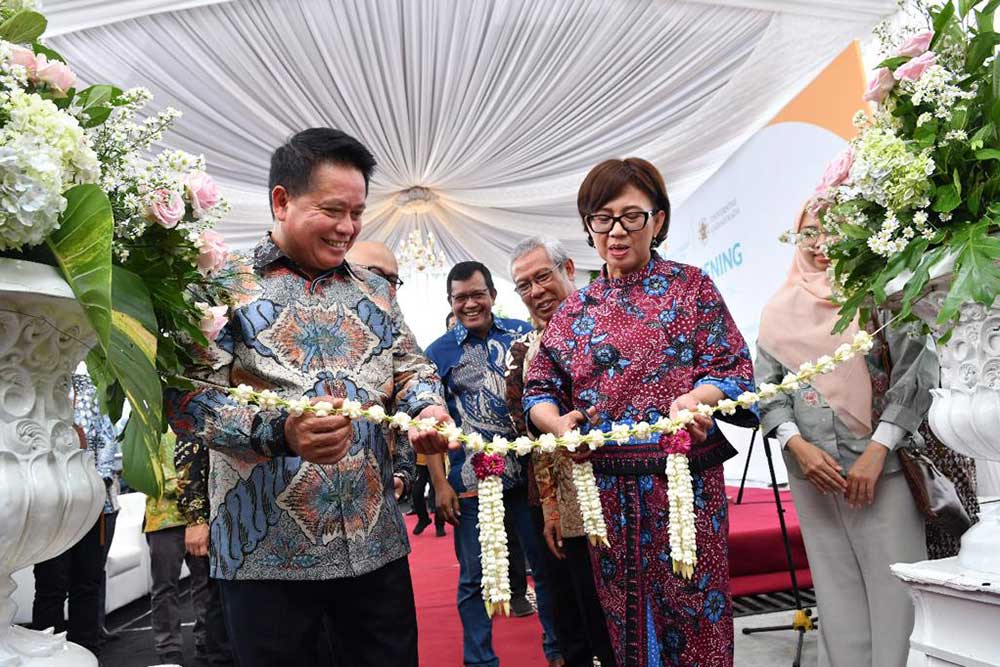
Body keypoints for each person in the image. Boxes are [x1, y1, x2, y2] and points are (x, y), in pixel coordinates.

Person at [166, 128, 450, 667]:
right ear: (282, 201)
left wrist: (427, 406)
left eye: (358, 212)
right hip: (266, 559)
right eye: (332, 210)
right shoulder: (220, 287)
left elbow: (412, 369)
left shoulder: (376, 290)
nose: (348, 228)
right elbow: (184, 401)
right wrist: (280, 433)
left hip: (375, 549)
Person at [524, 158, 756, 667]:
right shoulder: (574, 311)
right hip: (605, 488)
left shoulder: (691, 288)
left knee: (697, 612)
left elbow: (733, 369)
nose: (617, 231)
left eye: (632, 216)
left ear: (659, 219)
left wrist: (699, 400)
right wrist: (557, 423)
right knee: (626, 619)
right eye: (602, 218)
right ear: (588, 227)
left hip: (683, 483)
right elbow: (538, 388)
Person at [755, 198, 937, 667]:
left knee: (898, 599)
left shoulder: (883, 294)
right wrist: (797, 446)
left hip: (883, 471)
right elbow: (767, 387)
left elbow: (917, 373)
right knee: (836, 602)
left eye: (834, 231)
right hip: (813, 475)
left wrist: (879, 451)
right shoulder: (778, 308)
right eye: (809, 233)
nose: (820, 245)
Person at [425, 261, 563, 667]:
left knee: (546, 566)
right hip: (471, 484)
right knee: (473, 578)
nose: (470, 303)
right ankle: (480, 660)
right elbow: (429, 423)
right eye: (460, 297)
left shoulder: (523, 334)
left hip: (529, 478)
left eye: (477, 294)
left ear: (492, 295)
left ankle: (559, 651)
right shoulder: (437, 353)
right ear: (451, 302)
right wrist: (440, 485)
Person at [505, 236, 615, 667]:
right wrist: (549, 507)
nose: (535, 292)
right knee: (571, 618)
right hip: (557, 506)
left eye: (542, 277)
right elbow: (531, 440)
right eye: (524, 285)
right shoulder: (523, 352)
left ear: (568, 269)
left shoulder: (607, 325)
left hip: (617, 493)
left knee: (615, 618)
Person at [32, 373, 121, 657]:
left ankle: (87, 654)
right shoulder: (35, 389)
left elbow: (107, 439)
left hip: (94, 506)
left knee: (88, 584)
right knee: (50, 586)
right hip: (50, 508)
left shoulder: (89, 387)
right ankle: (48, 657)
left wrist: (97, 483)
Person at [145, 430, 233, 666]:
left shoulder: (199, 416)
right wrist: (188, 482)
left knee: (205, 585)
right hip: (164, 518)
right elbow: (143, 469)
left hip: (204, 515)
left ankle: (206, 644)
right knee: (165, 587)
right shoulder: (148, 419)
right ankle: (168, 652)